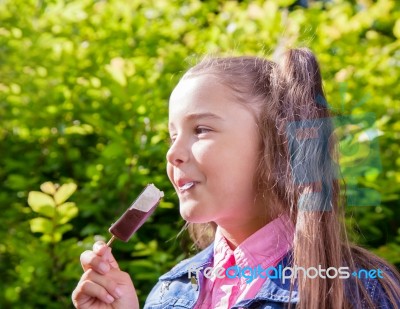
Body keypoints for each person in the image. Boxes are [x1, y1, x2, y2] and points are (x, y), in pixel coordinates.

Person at [72, 48, 400, 308]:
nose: (173, 153)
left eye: (201, 129)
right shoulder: (169, 291)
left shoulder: (357, 289)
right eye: (172, 136)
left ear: (276, 144)